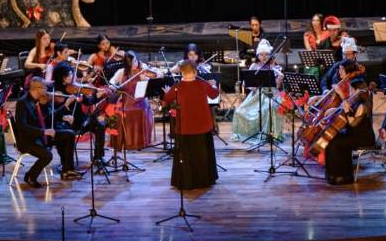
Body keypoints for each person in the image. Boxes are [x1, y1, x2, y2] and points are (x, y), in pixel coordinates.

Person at [163, 60, 220, 189]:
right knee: (203, 154)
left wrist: (167, 91)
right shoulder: (203, 85)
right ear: (195, 72)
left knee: (186, 155)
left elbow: (166, 99)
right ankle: (205, 180)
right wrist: (214, 85)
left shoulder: (177, 87)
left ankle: (186, 180)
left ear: (182, 73)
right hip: (203, 127)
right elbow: (214, 95)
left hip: (185, 128)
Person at [14, 77, 77, 187]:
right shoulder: (22, 103)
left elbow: (48, 118)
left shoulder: (39, 100)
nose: (47, 90)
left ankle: (67, 170)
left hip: (41, 136)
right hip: (28, 140)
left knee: (69, 134)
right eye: (44, 88)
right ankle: (30, 176)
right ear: (37, 89)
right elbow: (22, 126)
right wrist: (43, 132)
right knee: (47, 156)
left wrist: (62, 114)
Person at [51, 61, 107, 166]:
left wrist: (98, 96)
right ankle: (67, 165)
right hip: (65, 124)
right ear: (60, 77)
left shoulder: (76, 88)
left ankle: (98, 158)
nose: (72, 76)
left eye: (72, 73)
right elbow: (53, 113)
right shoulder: (55, 91)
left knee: (100, 125)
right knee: (66, 133)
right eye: (68, 75)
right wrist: (65, 108)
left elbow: (88, 101)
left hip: (81, 120)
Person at [323, 75, 375, 185]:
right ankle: (332, 174)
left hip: (362, 138)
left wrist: (346, 110)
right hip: (354, 134)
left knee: (335, 144)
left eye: (351, 89)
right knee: (331, 139)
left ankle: (343, 176)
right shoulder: (356, 102)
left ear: (357, 91)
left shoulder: (363, 106)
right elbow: (350, 115)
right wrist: (335, 109)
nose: (350, 92)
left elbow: (353, 123)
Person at [231, 39, 285, 142]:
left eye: (266, 54)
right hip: (256, 95)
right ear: (257, 55)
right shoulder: (254, 66)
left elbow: (277, 86)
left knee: (267, 109)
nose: (264, 57)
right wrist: (253, 86)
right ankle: (249, 133)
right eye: (261, 54)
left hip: (271, 94)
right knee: (239, 111)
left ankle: (269, 134)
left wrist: (279, 78)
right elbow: (247, 84)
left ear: (270, 55)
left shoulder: (275, 67)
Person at [108, 51, 155, 150]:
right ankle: (124, 142)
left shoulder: (143, 68)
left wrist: (145, 78)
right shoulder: (122, 72)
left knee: (139, 111)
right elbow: (112, 82)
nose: (134, 65)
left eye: (134, 61)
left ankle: (139, 142)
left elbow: (156, 75)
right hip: (126, 99)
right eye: (131, 63)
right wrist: (114, 86)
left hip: (140, 100)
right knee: (119, 113)